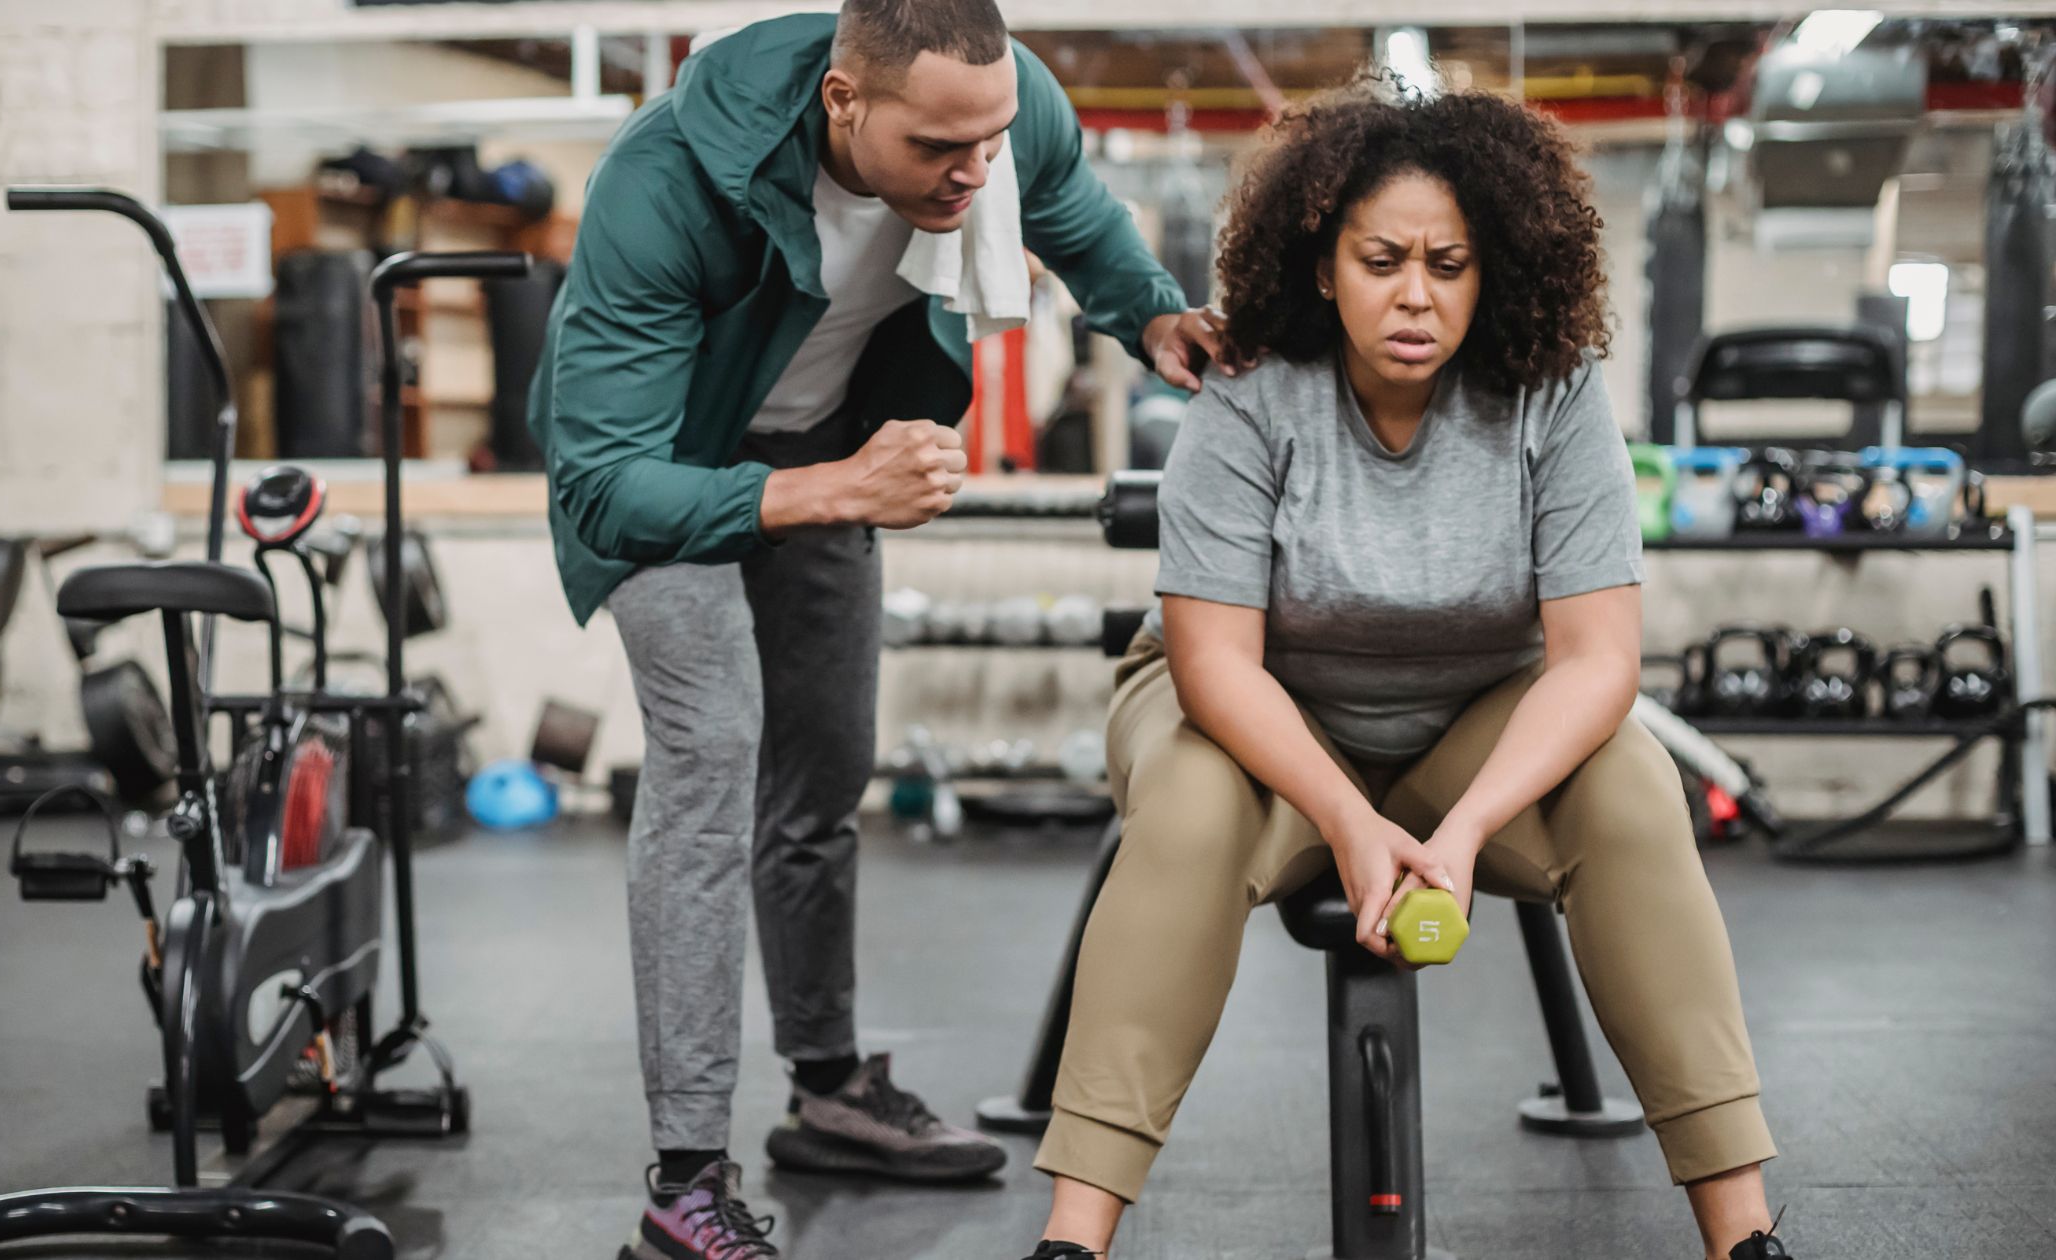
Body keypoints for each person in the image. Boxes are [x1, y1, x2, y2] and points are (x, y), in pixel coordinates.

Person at [1015, 82, 1797, 1260]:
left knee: (1633, 787)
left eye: (1449, 263)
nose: (1416, 294)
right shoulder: (1251, 388)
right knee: (1177, 811)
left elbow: (1594, 663)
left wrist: (1470, 826)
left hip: (1472, 724)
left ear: (1494, 272)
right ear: (1323, 265)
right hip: (1256, 723)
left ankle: (1744, 1239)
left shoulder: (1552, 392)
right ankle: (1071, 1242)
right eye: (1381, 259)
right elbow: (1214, 664)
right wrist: (1341, 815)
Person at [526, 2, 1223, 1256]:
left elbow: (1067, 207)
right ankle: (683, 1177)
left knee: (826, 772)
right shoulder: (664, 182)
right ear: (844, 103)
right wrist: (840, 491)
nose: (976, 172)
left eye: (990, 141)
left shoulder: (996, 113)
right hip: (662, 476)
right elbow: (600, 482)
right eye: (941, 152)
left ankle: (828, 1085)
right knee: (711, 755)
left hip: (819, 449)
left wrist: (1155, 315)